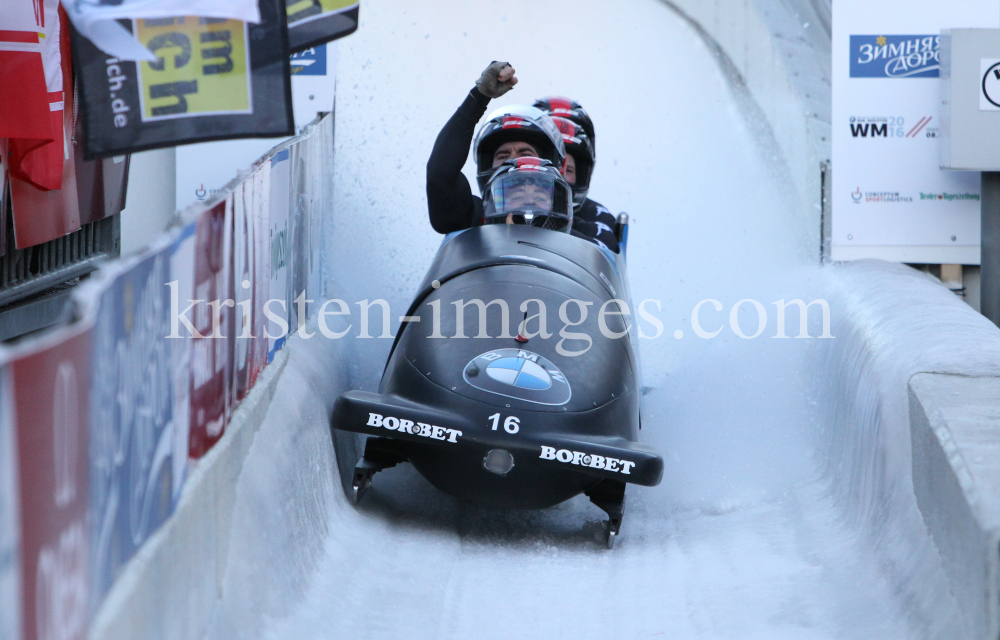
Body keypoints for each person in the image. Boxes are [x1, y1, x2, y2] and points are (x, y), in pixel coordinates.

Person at [426, 62, 614, 250]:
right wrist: (478, 98)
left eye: (525, 153)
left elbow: (603, 253)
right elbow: (440, 175)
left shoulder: (585, 230)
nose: (512, 161)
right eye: (503, 155)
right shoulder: (474, 215)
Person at [534, 96, 620, 252]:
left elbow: (604, 252)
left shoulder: (597, 217)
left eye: (567, 169)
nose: (557, 175)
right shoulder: (496, 204)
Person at [482, 158, 574, 232]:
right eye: (518, 197)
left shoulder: (578, 252)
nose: (529, 202)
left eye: (540, 198)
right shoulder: (479, 247)